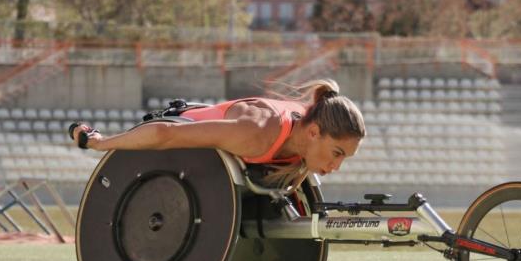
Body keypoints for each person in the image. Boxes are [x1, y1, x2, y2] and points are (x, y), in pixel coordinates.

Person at [69, 79, 365, 188]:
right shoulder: (258, 132)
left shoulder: (308, 130)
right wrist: (100, 142)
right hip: (176, 127)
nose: (336, 167)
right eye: (337, 153)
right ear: (314, 133)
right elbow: (165, 135)